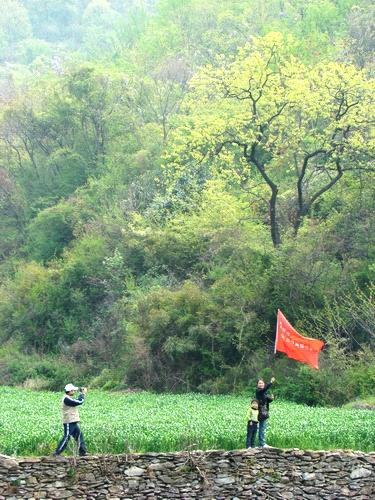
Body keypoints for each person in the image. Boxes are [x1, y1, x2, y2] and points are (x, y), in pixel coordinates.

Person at [53, 384, 88, 457]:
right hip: (69, 421)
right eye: (73, 390)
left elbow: (76, 401)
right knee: (67, 437)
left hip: (73, 421)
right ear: (70, 391)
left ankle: (83, 452)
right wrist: (83, 394)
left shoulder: (68, 398)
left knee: (79, 435)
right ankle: (57, 452)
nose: (74, 391)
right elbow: (79, 402)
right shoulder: (67, 399)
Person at [255, 377, 275, 448]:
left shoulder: (264, 392)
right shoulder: (258, 391)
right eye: (259, 383)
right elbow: (264, 389)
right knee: (261, 428)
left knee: (262, 427)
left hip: (264, 411)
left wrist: (271, 399)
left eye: (262, 383)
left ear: (264, 384)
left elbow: (267, 400)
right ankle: (262, 443)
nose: (261, 384)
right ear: (257, 384)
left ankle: (261, 443)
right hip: (260, 412)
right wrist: (271, 382)